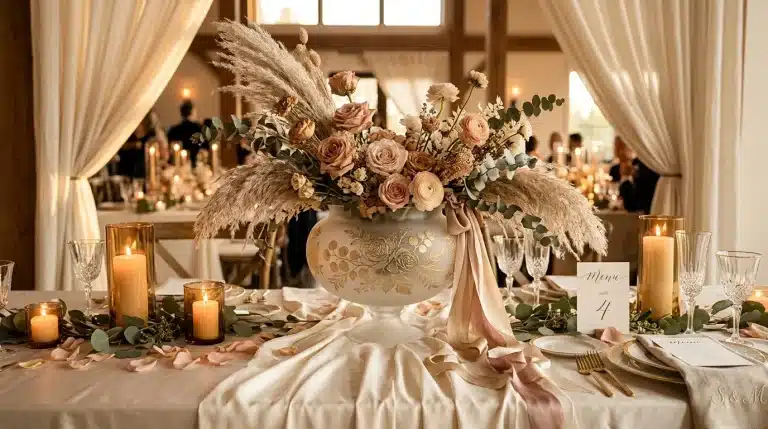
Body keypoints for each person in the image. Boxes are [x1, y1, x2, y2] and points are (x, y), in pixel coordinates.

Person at [610, 136, 659, 213]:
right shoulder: (614, 169)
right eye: (617, 147)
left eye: (623, 147)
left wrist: (627, 177)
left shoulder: (642, 166)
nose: (620, 152)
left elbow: (632, 205)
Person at [167, 100, 203, 167]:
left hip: (178, 165)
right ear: (192, 111)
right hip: (196, 165)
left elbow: (170, 151)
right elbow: (204, 151)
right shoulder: (199, 129)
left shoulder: (173, 130)